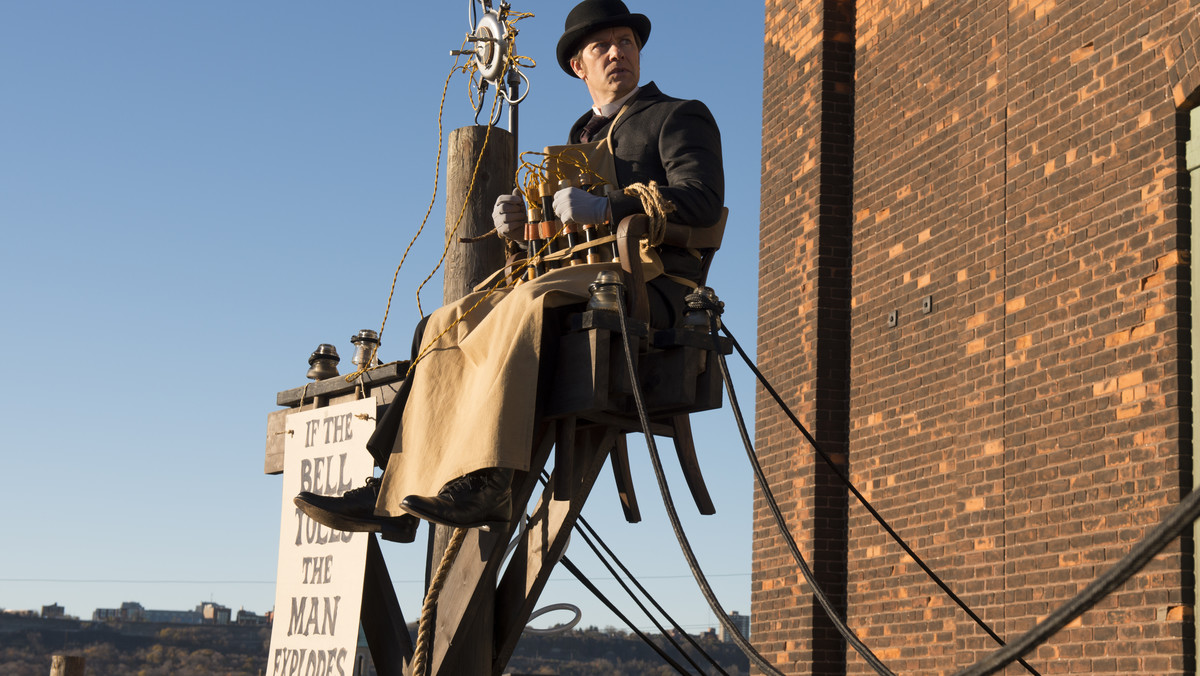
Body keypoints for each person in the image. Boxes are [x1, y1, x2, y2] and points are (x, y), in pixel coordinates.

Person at [295, 0, 724, 538]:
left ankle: (491, 480)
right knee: (446, 321)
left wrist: (610, 207)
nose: (618, 53)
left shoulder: (677, 115)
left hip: (650, 283)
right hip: (582, 276)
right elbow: (561, 237)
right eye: (602, 47)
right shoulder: (578, 139)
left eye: (626, 42)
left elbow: (702, 201)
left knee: (527, 304)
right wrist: (523, 226)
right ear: (578, 66)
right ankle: (390, 489)